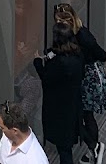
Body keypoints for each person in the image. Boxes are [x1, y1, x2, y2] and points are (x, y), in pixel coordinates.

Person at [54, 2, 106, 163]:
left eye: (61, 21)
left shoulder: (82, 36)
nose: (59, 25)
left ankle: (95, 147)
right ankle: (94, 149)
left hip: (88, 76)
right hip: (85, 74)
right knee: (85, 113)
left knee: (85, 114)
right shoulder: (76, 33)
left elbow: (101, 54)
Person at [33, 24, 84, 164]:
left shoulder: (60, 63)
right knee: (65, 146)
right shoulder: (77, 55)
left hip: (59, 109)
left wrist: (37, 61)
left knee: (64, 149)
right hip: (72, 104)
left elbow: (46, 77)